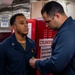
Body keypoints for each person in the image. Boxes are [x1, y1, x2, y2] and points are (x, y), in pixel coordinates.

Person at [29, 1, 75, 75]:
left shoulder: (67, 33)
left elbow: (57, 64)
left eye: (48, 21)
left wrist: (36, 63)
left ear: (57, 16)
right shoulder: (68, 28)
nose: (46, 25)